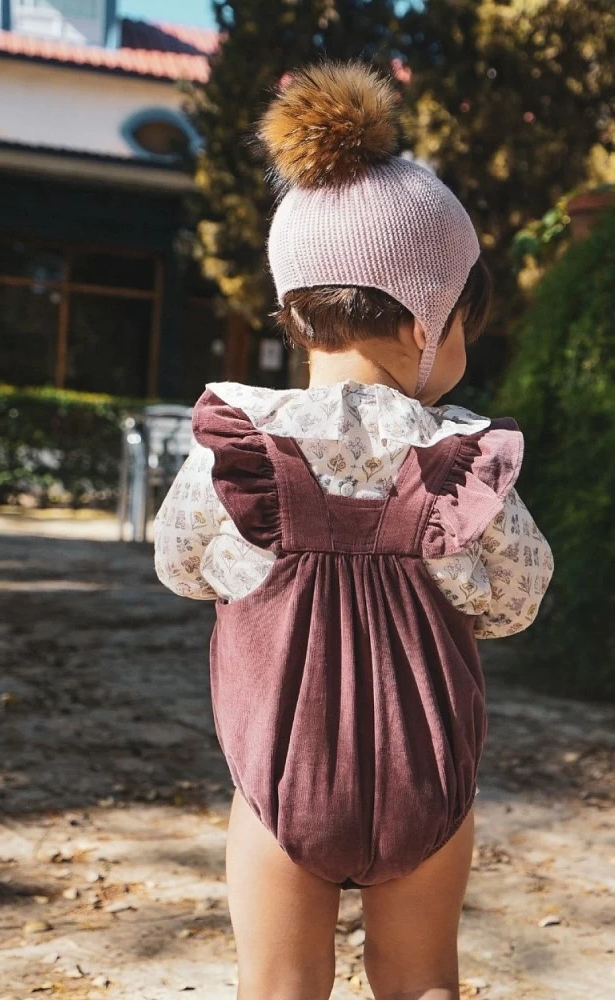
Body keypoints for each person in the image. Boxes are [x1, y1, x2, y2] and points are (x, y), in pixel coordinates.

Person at [154, 62, 553, 1000]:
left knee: (279, 989)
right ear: (427, 324)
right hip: (428, 780)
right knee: (423, 985)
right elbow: (519, 597)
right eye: (465, 324)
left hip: (280, 784)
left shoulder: (242, 448)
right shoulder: (459, 460)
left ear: (292, 309)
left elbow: (181, 566)